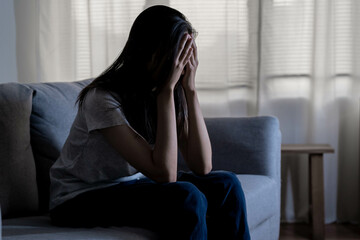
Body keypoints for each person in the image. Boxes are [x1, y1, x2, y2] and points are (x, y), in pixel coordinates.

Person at [49, 5, 250, 240]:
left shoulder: (168, 90)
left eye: (185, 55)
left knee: (226, 184)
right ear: (149, 51)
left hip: (130, 184)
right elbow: (165, 175)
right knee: (186, 196)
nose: (180, 63)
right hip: (78, 198)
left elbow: (202, 165)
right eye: (176, 54)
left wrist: (190, 90)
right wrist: (166, 92)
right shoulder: (102, 99)